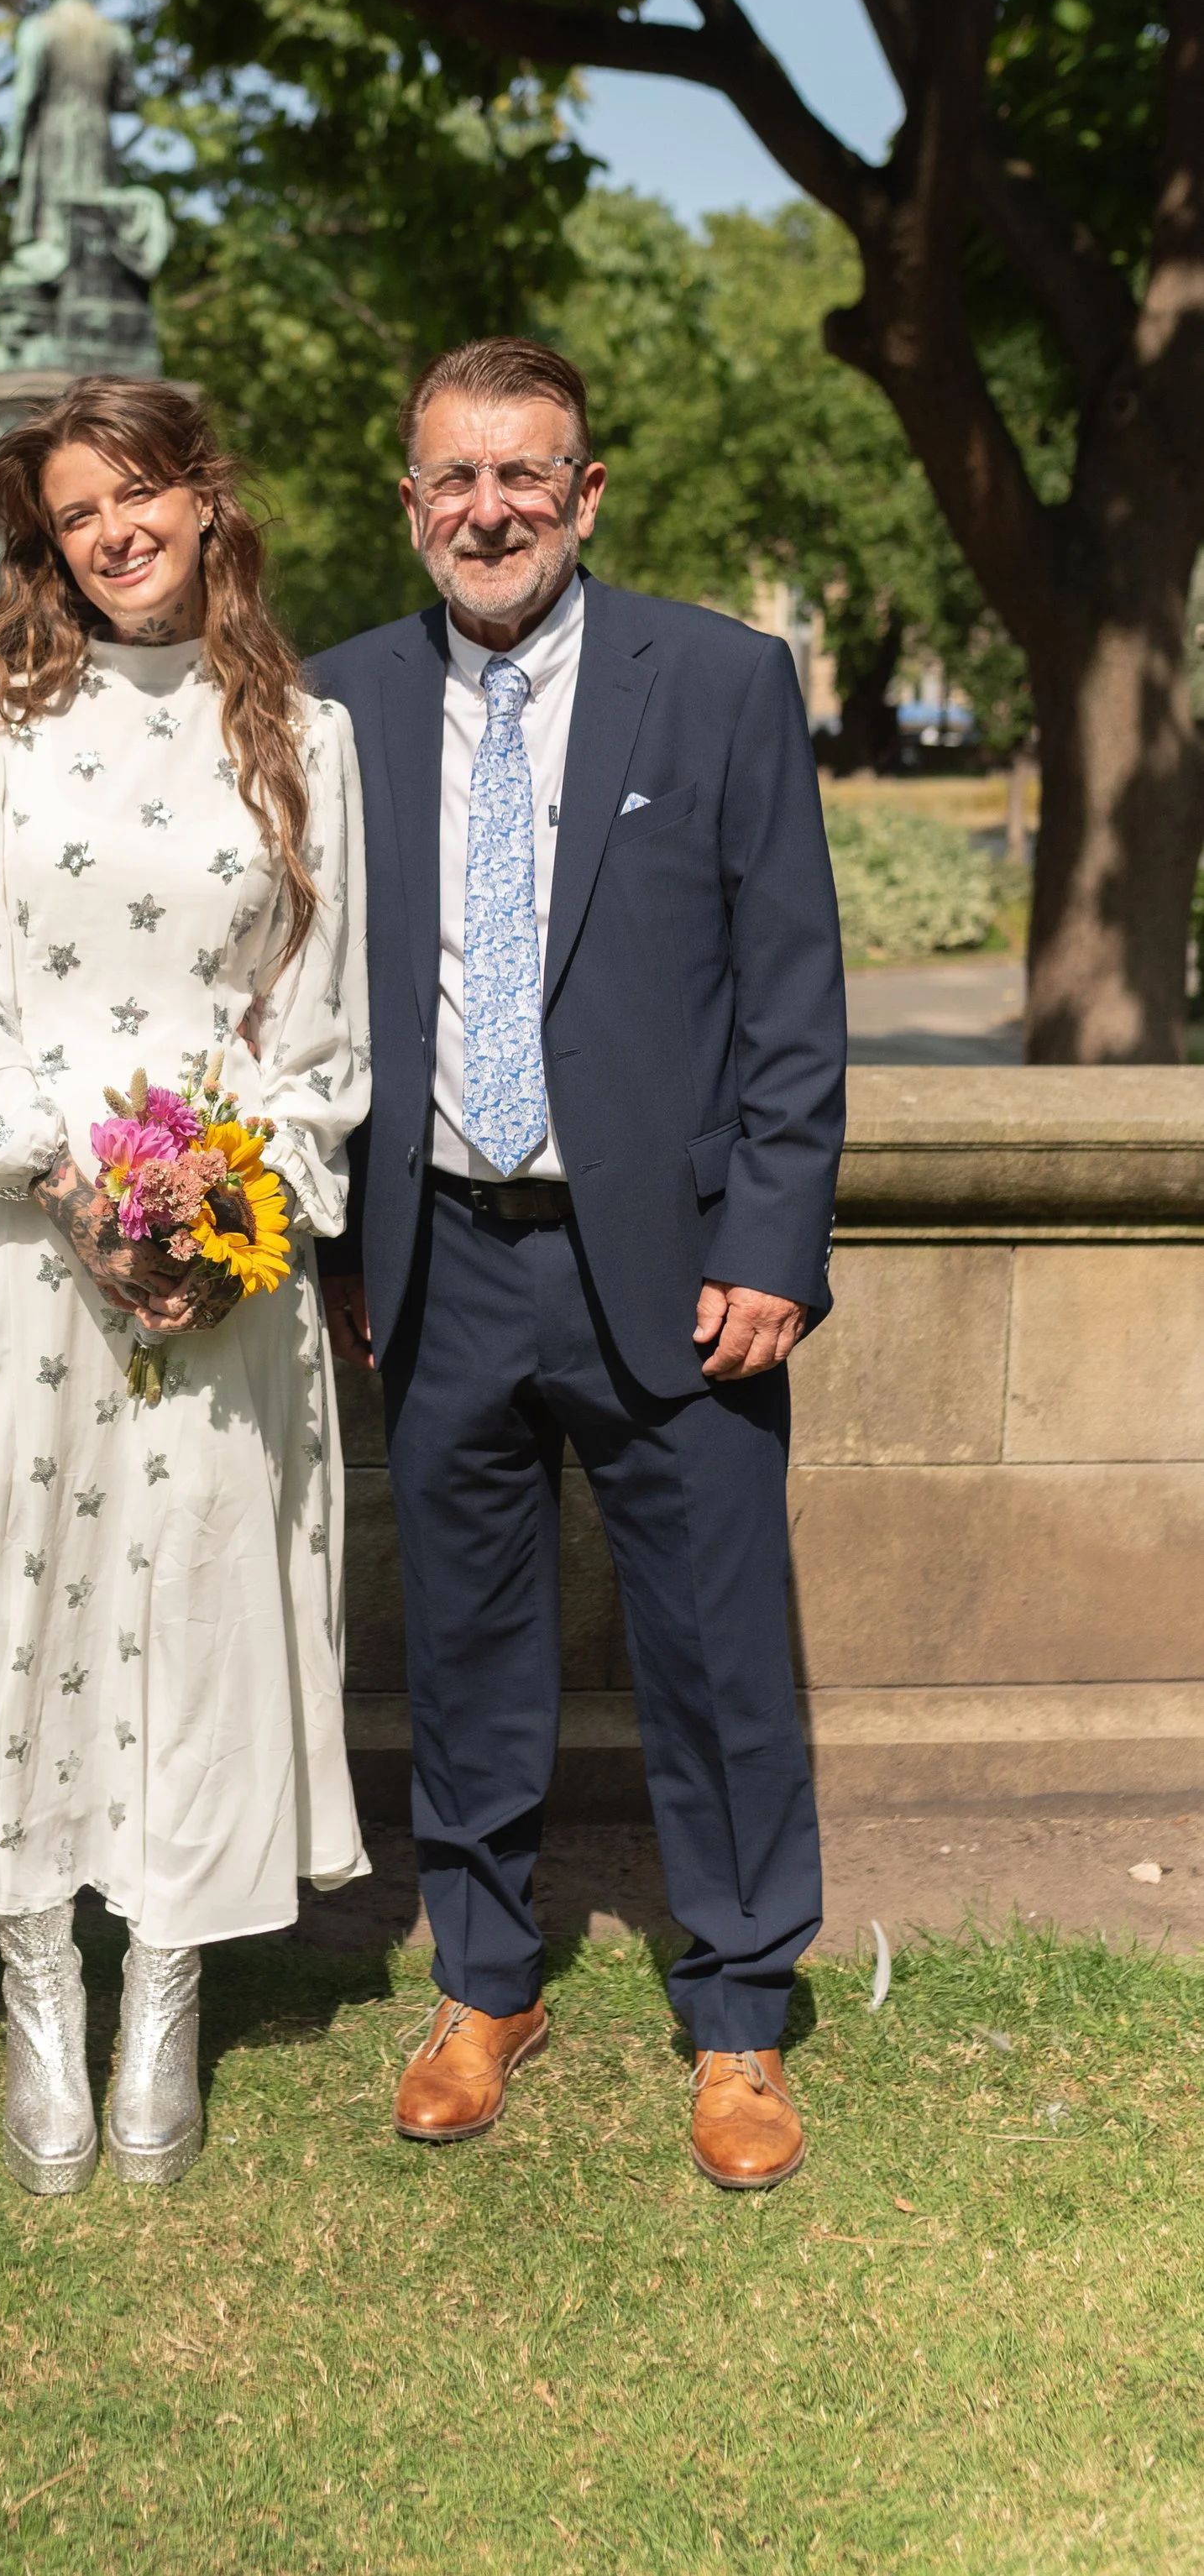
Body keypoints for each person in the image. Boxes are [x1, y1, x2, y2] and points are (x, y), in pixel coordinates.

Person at [311, 338, 845, 2191]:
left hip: (681, 1275)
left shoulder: (714, 682)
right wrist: (332, 1244)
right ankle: (483, 1982)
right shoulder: (332, 705)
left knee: (715, 1659)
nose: (487, 509)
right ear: (408, 501)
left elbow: (790, 1000)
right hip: (436, 1263)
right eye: (452, 478)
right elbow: (305, 1006)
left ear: (583, 492)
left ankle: (739, 2017)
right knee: (461, 1650)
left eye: (522, 475)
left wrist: (772, 1237)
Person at [0, 378, 371, 2193]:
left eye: (141, 494)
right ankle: (37, 1977)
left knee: (192, 1589)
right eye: (77, 514)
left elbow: (315, 1028)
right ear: (44, 544)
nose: (115, 533)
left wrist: (226, 1217)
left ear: (209, 499)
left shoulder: (307, 731)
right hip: (23, 1234)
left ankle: (165, 1979)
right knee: (22, 1583)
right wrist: (78, 1192)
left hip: (218, 1256)